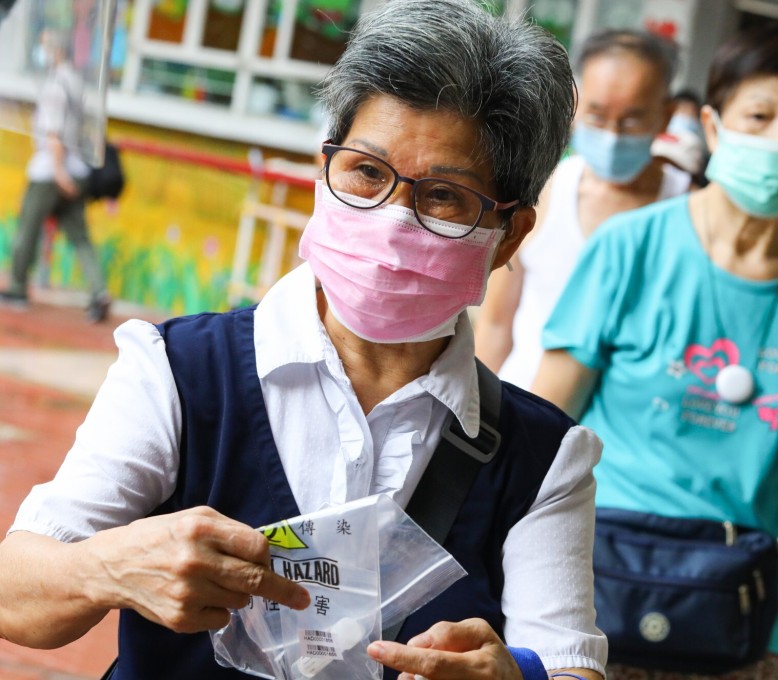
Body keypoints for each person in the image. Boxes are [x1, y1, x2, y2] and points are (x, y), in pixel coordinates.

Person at [0, 1, 608, 679]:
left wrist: (514, 676)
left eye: (442, 196)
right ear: (325, 171)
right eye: (366, 173)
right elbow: (17, 597)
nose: (390, 220)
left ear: (511, 235)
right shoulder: (177, 372)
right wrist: (110, 567)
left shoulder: (543, 460)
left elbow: (568, 662)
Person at [531, 22, 778, 680]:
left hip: (747, 616)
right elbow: (544, 422)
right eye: (760, 115)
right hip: (591, 600)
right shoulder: (631, 249)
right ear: (714, 129)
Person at [475, 29, 690, 388]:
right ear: (576, 106)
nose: (613, 134)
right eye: (598, 115)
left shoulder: (689, 207)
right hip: (524, 408)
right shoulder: (544, 190)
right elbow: (497, 322)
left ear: (665, 117)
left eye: (632, 120)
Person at [0, 28, 111, 323]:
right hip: (76, 170)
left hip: (51, 170)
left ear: (56, 50)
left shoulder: (55, 86)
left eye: (45, 45)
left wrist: (59, 172)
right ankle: (98, 291)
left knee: (27, 229)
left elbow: (53, 134)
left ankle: (17, 287)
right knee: (81, 238)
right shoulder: (75, 82)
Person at [652, 88, 709, 182]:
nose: (683, 113)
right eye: (681, 108)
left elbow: (691, 172)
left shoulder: (694, 142)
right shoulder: (654, 134)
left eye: (689, 110)